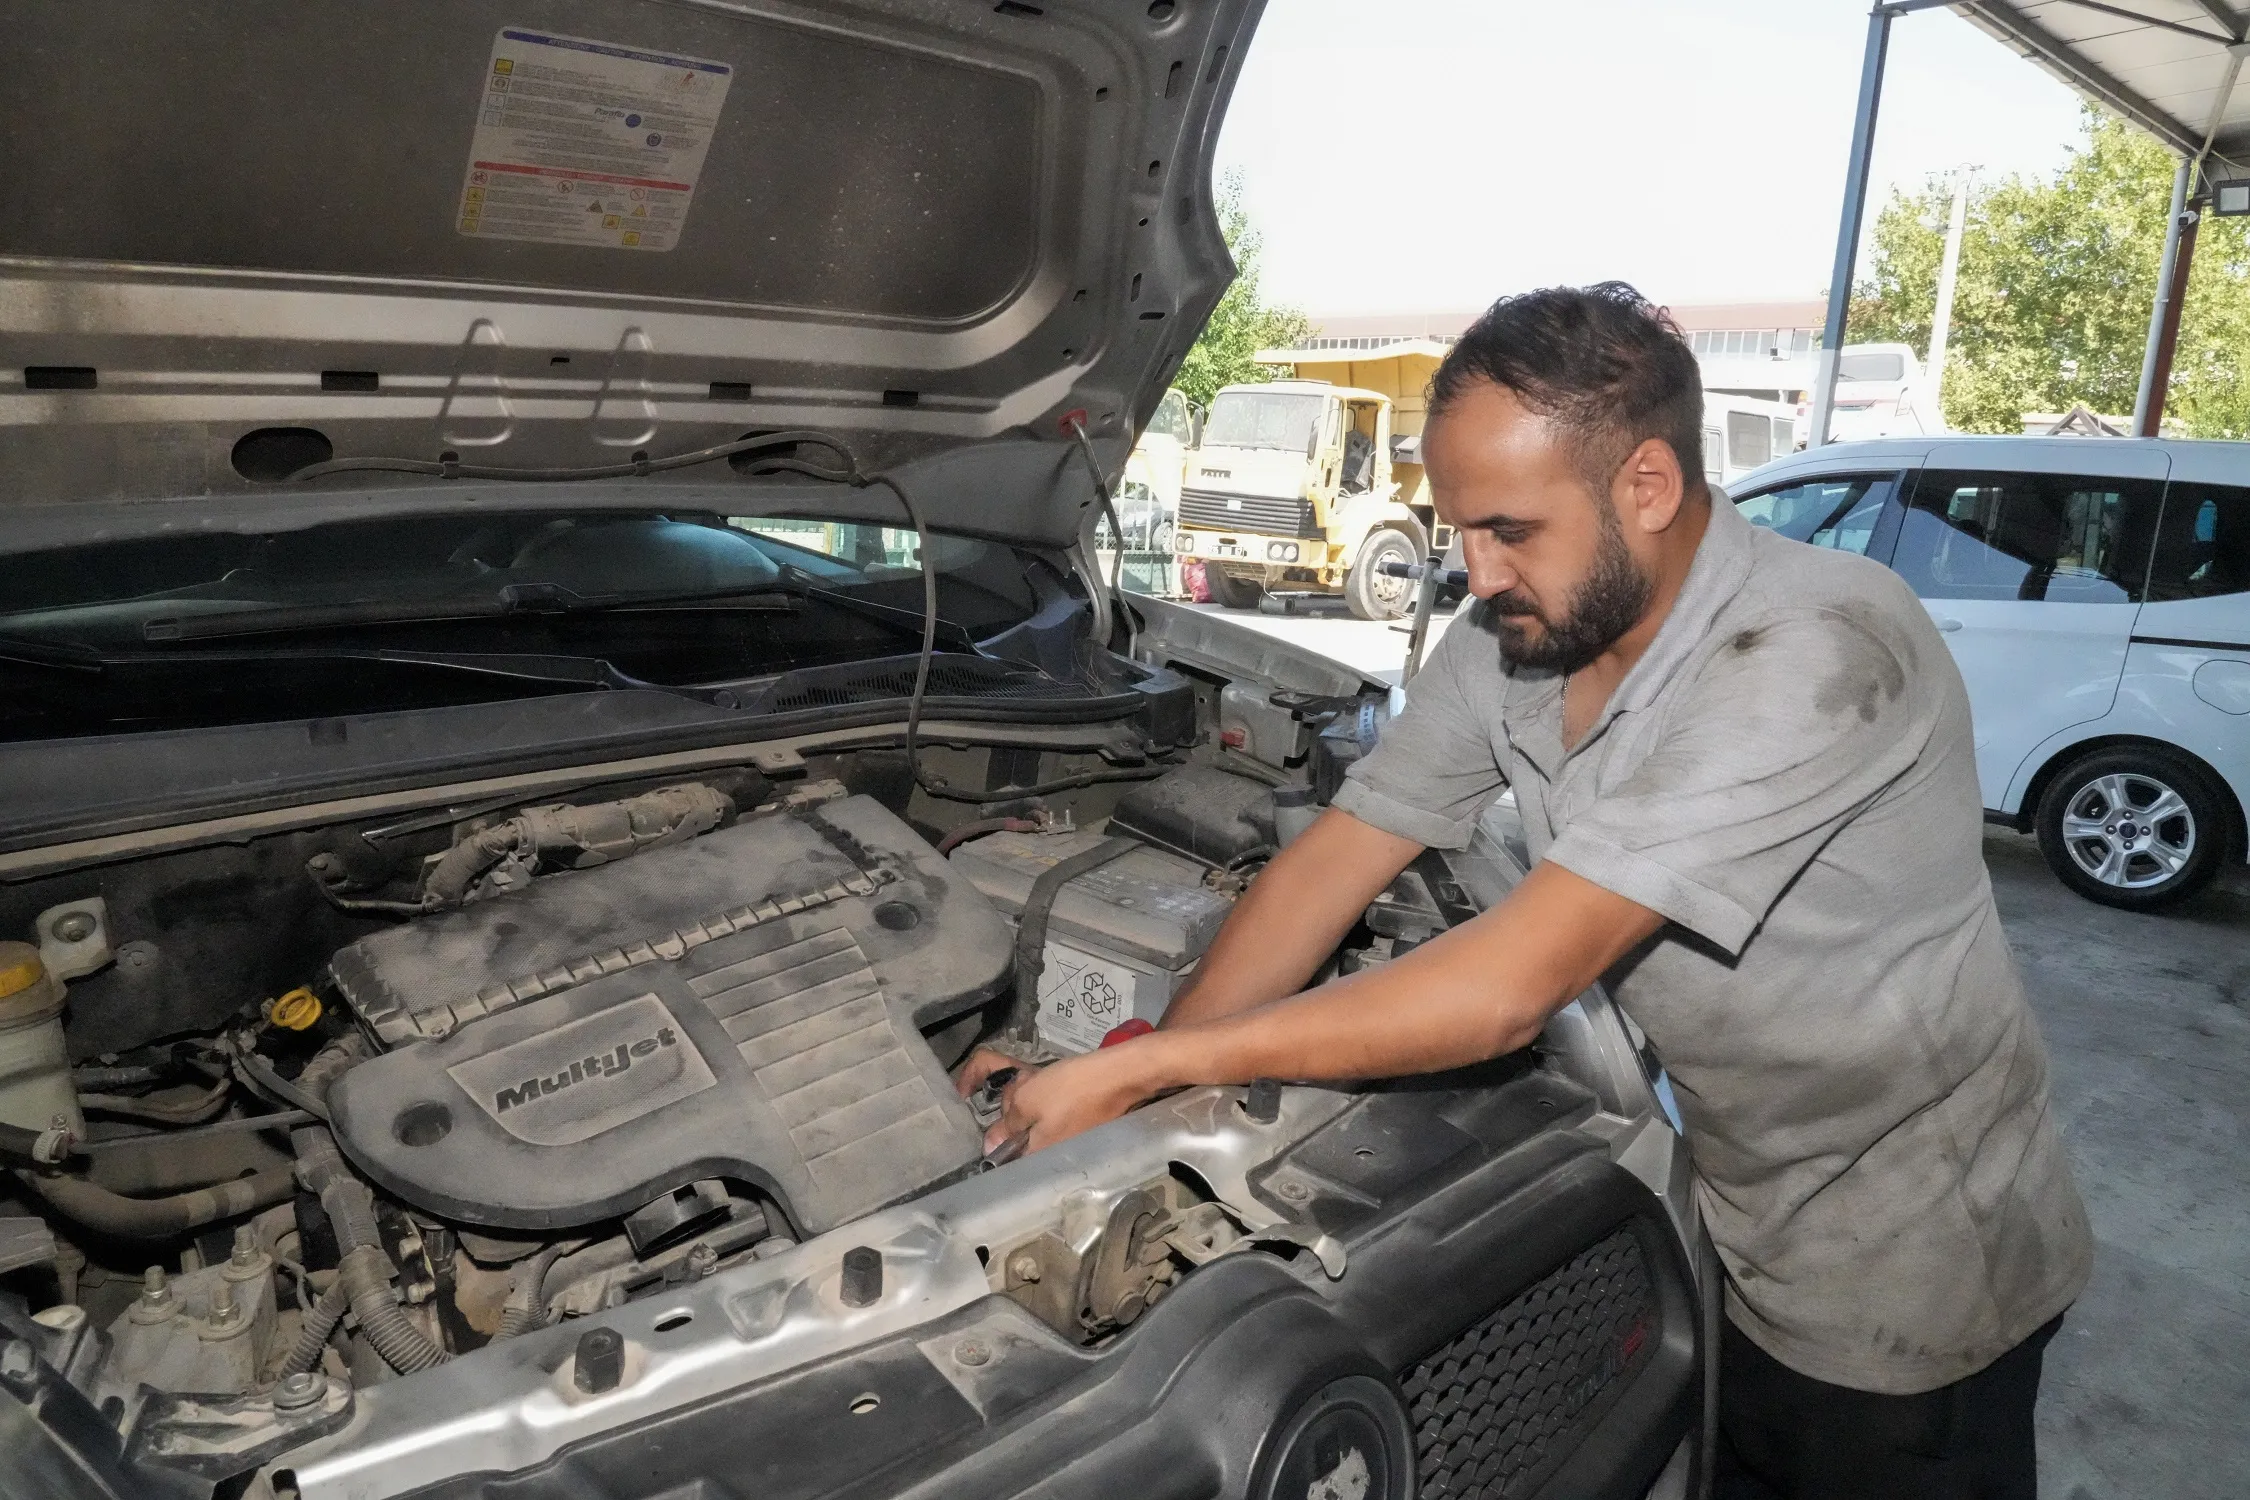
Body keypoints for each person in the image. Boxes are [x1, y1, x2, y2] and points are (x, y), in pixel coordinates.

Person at [961, 283, 2092, 1498]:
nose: (1475, 569)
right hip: (1740, 1198)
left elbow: (1511, 988)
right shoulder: (1515, 639)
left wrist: (1143, 1071)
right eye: (1457, 529)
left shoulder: (1818, 650)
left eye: (1510, 529)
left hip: (1918, 1265)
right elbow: (1340, 859)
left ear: (1647, 489)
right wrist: (1141, 1113)